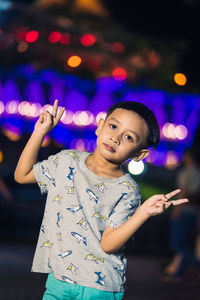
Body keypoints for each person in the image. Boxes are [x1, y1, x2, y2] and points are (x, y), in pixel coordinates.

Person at [14, 100, 188, 300]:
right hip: (59, 279)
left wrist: (143, 213)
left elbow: (108, 245)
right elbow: (22, 175)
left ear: (139, 154)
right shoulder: (66, 161)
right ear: (100, 126)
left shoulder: (128, 190)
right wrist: (39, 132)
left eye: (129, 137)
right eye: (113, 126)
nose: (116, 138)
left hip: (100, 287)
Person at [163, 148, 200, 281]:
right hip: (194, 212)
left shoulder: (186, 173)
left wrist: (176, 211)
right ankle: (178, 272)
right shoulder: (197, 172)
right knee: (184, 244)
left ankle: (192, 266)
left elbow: (183, 193)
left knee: (178, 244)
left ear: (188, 157)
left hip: (183, 211)